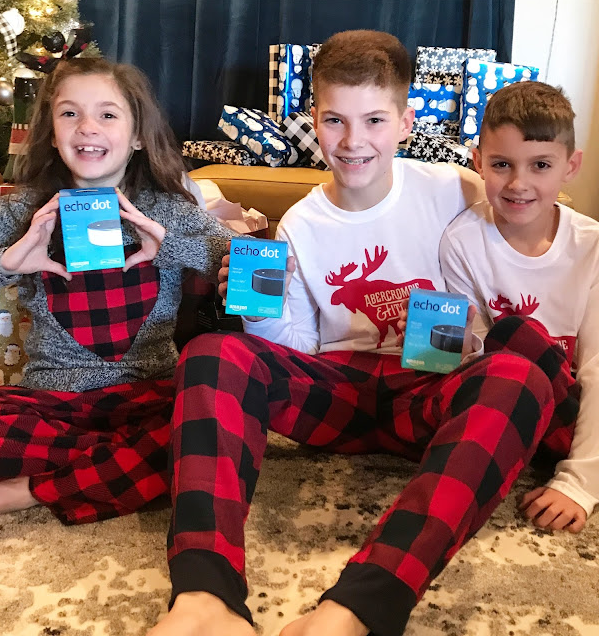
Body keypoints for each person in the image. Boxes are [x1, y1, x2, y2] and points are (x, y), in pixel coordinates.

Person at [149, 31, 579, 636]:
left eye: (374, 120)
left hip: (430, 390)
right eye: (335, 121)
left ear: (404, 122)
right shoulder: (300, 223)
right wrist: (260, 308)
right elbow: (297, 348)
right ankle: (204, 595)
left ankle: (357, 609)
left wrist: (479, 335)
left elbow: (518, 236)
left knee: (518, 375)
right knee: (212, 352)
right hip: (338, 391)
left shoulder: (456, 188)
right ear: (314, 121)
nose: (354, 142)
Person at [0, 57, 233, 525]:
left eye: (107, 114)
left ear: (138, 135)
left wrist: (170, 246)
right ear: (51, 133)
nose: (87, 127)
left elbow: (239, 264)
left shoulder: (166, 209)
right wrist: (7, 261)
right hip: (52, 401)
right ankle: (113, 466)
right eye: (70, 113)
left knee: (211, 425)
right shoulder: (25, 209)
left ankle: (20, 491)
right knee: (190, 454)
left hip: (149, 393)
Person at [439, 81, 599, 533]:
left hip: (572, 411)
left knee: (516, 333)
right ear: (478, 162)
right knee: (508, 341)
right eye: (502, 164)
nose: (518, 184)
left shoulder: (591, 246)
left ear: (571, 166)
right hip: (511, 404)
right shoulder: (462, 241)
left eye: (540, 165)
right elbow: (471, 361)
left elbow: (595, 366)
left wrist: (579, 483)